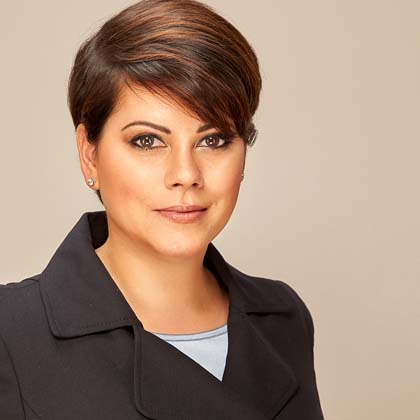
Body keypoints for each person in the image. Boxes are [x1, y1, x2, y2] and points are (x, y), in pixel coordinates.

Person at [0, 0, 324, 418]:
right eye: (148, 141)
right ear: (89, 155)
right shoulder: (12, 333)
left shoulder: (283, 319)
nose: (186, 174)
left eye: (213, 140)